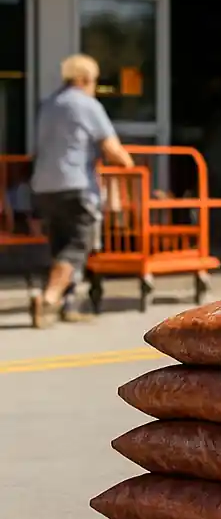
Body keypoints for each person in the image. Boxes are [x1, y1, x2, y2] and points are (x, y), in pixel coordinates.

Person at [30, 54, 134, 328]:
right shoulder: (87, 105)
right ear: (85, 79)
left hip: (44, 185)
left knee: (60, 244)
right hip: (76, 184)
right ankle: (50, 298)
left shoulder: (49, 104)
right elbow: (111, 148)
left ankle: (67, 304)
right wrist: (127, 161)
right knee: (78, 245)